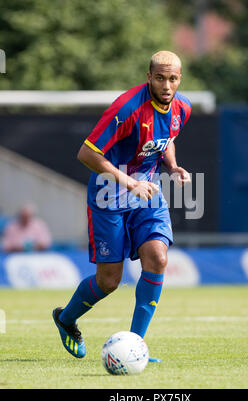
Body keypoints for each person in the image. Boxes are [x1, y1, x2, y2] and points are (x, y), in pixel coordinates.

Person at [52, 51, 192, 361]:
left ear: (179, 79)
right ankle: (65, 319)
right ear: (148, 77)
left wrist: (172, 166)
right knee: (109, 281)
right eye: (160, 78)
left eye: (173, 79)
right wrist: (129, 182)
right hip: (109, 195)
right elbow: (86, 154)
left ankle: (135, 346)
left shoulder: (183, 107)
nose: (167, 85)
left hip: (147, 195)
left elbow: (167, 137)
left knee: (157, 257)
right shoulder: (127, 108)